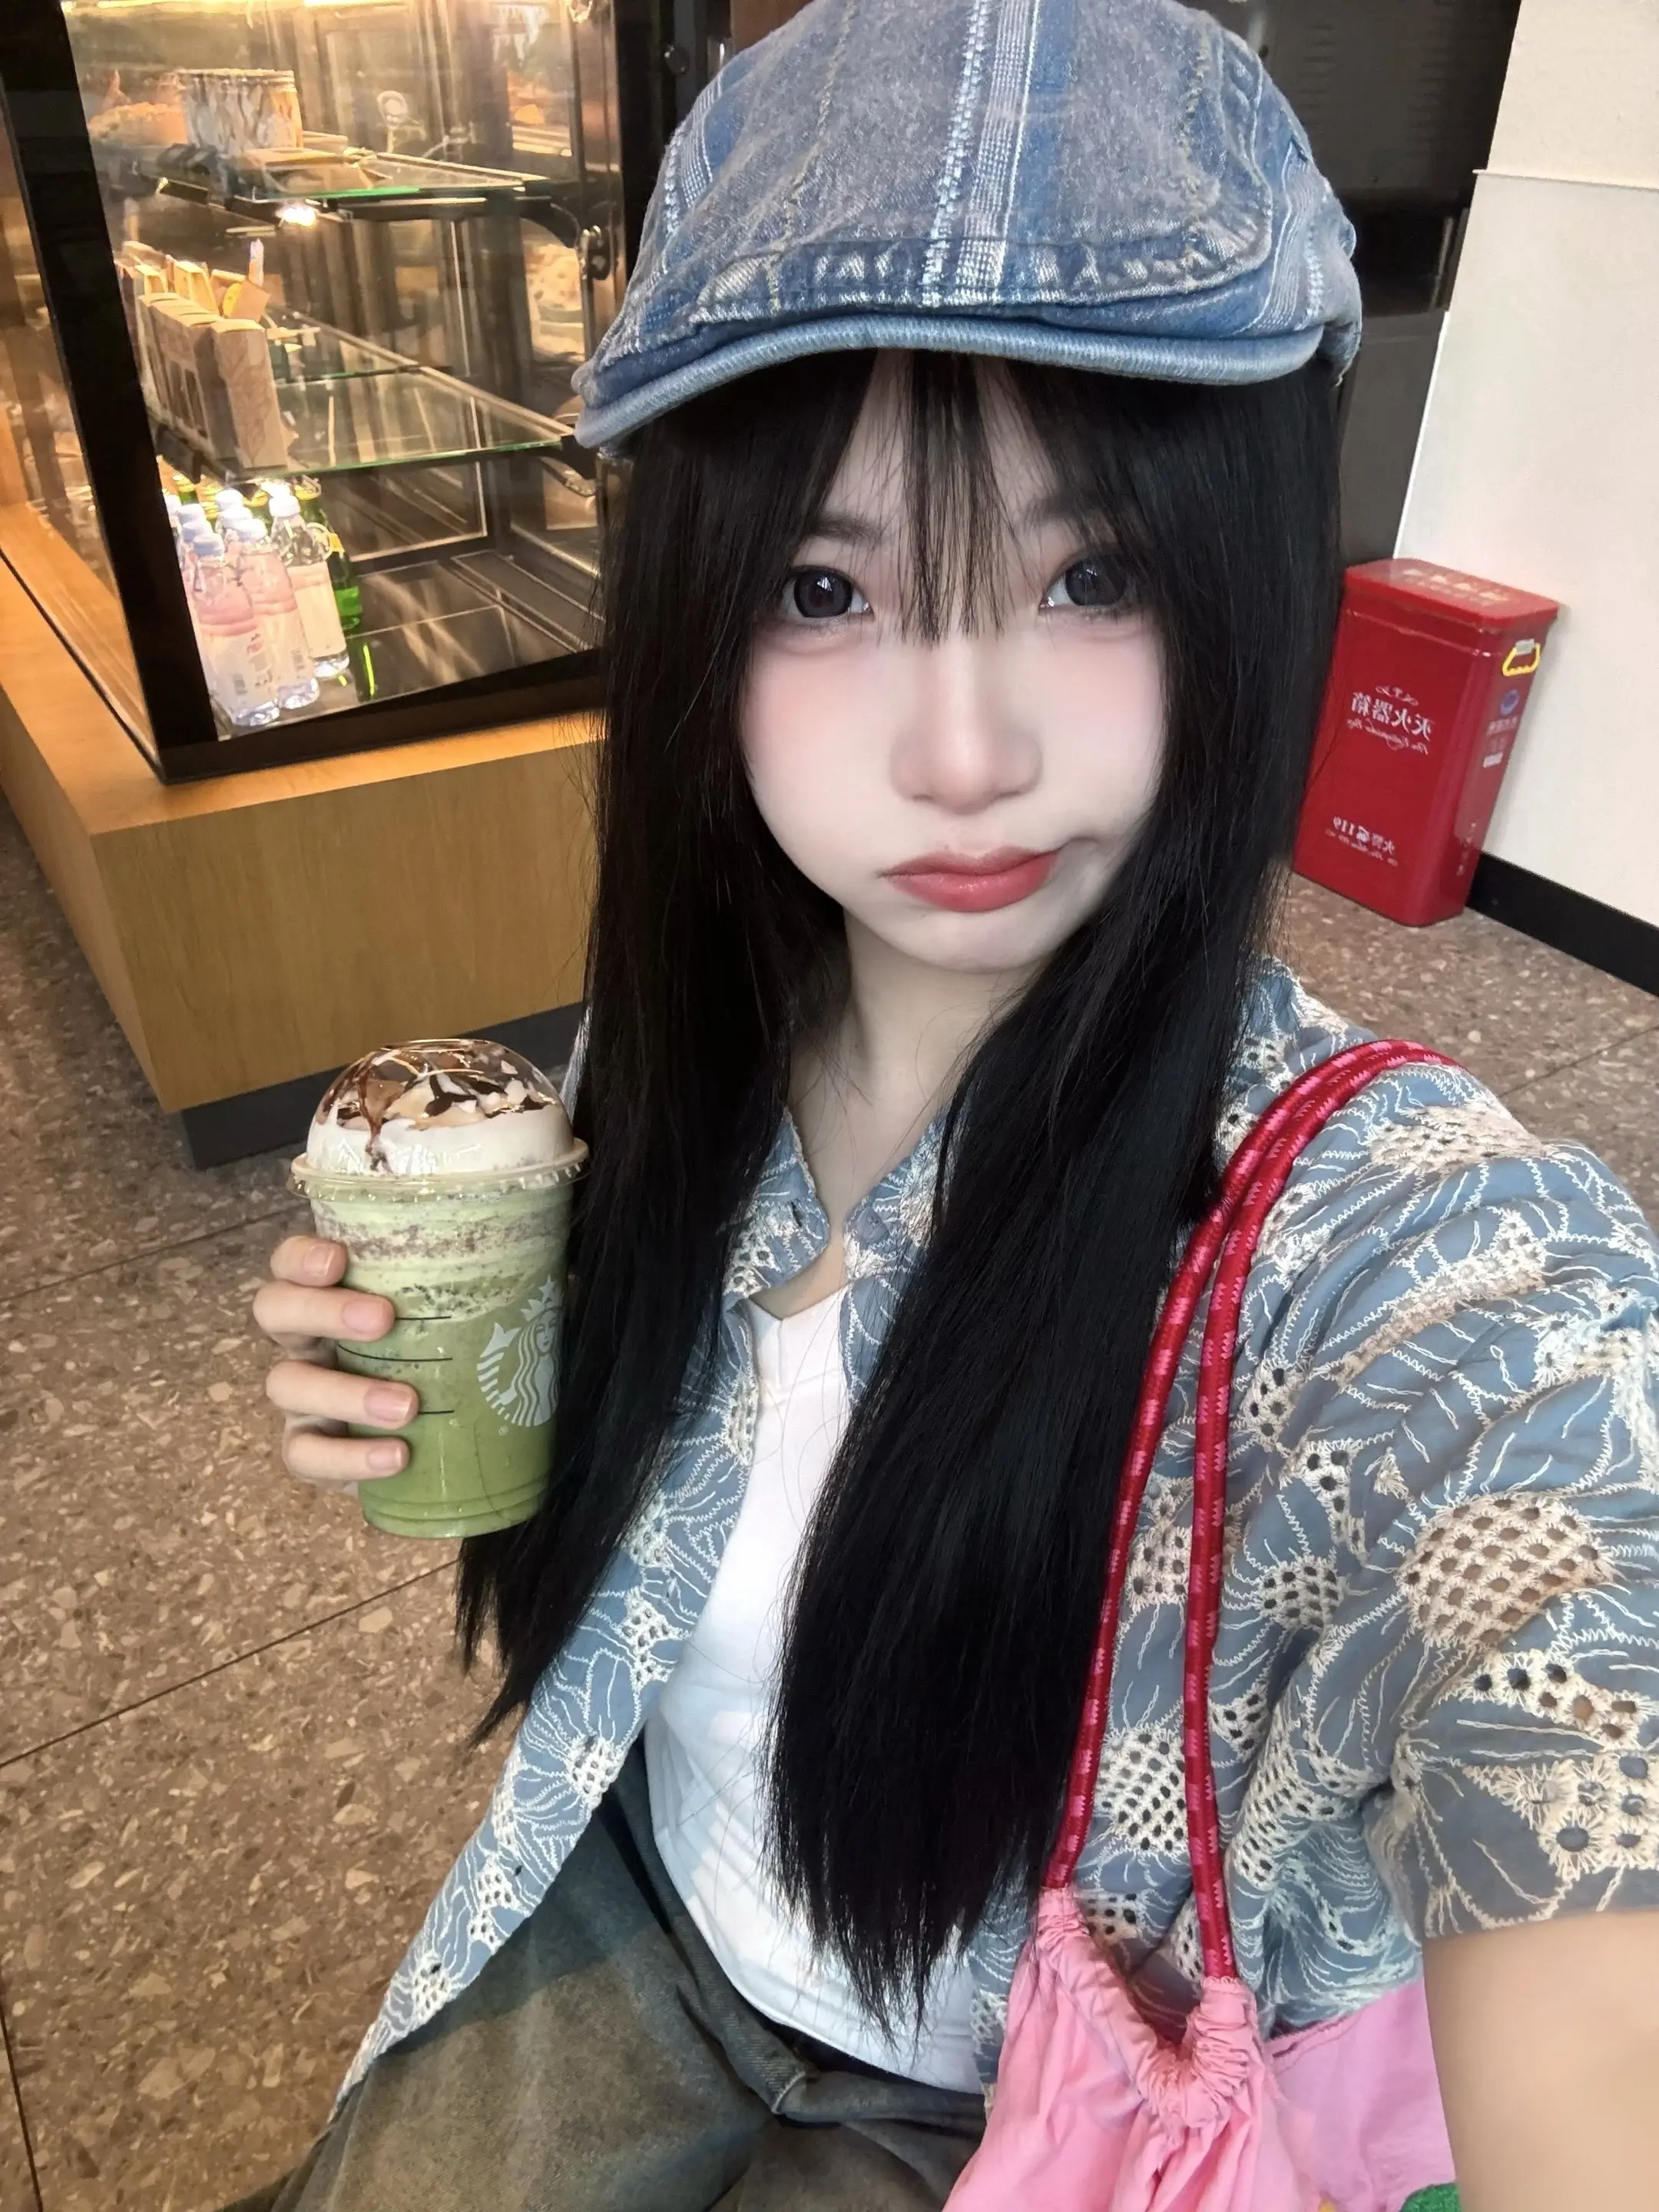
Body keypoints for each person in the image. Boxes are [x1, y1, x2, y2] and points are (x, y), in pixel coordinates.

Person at [238, 3, 1659, 2207]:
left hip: (1038, 2102)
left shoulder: (1394, 1252)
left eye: (1091, 575)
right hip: (632, 1904)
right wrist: (434, 1400)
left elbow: (1565, 1615)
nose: (966, 754)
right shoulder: (662, 1073)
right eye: (828, 590)